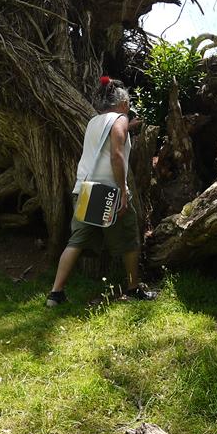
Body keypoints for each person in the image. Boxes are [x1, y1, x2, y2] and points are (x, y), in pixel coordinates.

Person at [46, 76, 156, 306]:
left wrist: (128, 128)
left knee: (76, 242)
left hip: (85, 189)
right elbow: (116, 155)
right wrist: (123, 190)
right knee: (129, 239)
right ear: (123, 103)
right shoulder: (121, 119)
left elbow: (106, 140)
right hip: (109, 192)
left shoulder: (94, 121)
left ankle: (55, 293)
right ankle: (133, 288)